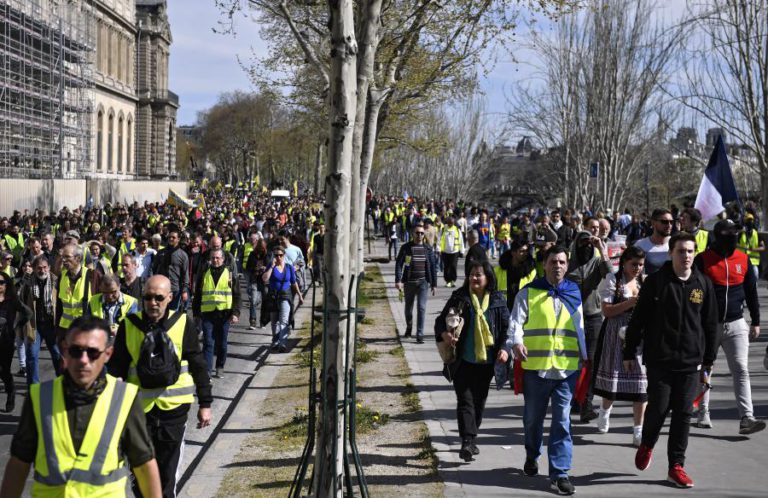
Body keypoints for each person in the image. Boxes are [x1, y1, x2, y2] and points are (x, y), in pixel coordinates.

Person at [0, 316, 162, 498]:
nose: (84, 360)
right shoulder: (39, 397)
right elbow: (19, 462)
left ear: (108, 354)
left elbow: (144, 464)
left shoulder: (125, 398)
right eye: (76, 351)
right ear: (65, 351)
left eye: (93, 353)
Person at [624, 233, 718, 488]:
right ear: (671, 254)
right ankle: (648, 443)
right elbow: (638, 320)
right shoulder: (656, 283)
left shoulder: (703, 283)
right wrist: (628, 352)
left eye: (690, 251)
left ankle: (676, 466)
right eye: (681, 251)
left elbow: (711, 324)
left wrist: (708, 360)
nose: (686, 256)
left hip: (691, 361)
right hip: (660, 360)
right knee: (659, 408)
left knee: (684, 414)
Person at [108, 275, 212, 497]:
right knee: (140, 478)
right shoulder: (129, 325)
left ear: (170, 298)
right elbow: (116, 370)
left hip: (173, 412)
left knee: (166, 478)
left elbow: (198, 365)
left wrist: (205, 403)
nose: (152, 303)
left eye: (158, 298)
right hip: (138, 413)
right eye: (147, 297)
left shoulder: (183, 323)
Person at [508, 245, 588, 496]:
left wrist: (585, 357)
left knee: (562, 421)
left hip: (566, 369)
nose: (558, 266)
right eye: (553, 261)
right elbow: (515, 323)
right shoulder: (529, 292)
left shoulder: (573, 292)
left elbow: (580, 326)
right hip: (537, 369)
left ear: (567, 265)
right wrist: (517, 342)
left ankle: (560, 473)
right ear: (544, 264)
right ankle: (532, 454)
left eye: (563, 262)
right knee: (533, 419)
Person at [693, 219, 765, 434]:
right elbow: (694, 293)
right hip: (708, 325)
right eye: (727, 234)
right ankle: (703, 412)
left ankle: (747, 418)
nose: (731, 238)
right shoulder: (702, 260)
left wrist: (757, 321)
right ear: (717, 236)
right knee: (706, 369)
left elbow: (751, 293)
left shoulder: (743, 259)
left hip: (736, 323)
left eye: (734, 234)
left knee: (741, 370)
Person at [434, 260, 510, 461]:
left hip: (486, 363)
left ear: (487, 278)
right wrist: (445, 334)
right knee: (465, 400)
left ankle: (471, 438)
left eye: (479, 275)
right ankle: (467, 441)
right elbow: (440, 321)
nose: (475, 278)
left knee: (479, 401)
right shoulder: (459, 298)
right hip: (462, 361)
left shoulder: (497, 300)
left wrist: (504, 349)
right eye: (472, 274)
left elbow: (506, 329)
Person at [592, 246, 647, 446]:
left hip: (639, 334)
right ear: (624, 262)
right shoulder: (612, 280)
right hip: (616, 332)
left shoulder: (644, 281)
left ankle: (638, 431)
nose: (638, 268)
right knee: (613, 382)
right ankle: (605, 412)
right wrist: (631, 302)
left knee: (641, 385)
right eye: (634, 264)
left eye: (641, 264)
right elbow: (606, 311)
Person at [566, 231, 613, 423]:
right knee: (573, 362)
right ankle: (574, 400)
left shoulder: (596, 262)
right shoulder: (568, 263)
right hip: (571, 317)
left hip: (593, 316)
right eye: (582, 243)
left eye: (589, 244)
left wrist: (602, 249)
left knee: (592, 361)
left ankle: (587, 402)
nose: (586, 246)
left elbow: (610, 273)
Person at [193, 248, 241, 378]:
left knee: (222, 343)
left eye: (217, 258)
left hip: (224, 314)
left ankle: (220, 366)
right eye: (213, 258)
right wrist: (196, 313)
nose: (215, 260)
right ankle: (207, 370)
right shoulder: (204, 273)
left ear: (223, 259)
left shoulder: (229, 274)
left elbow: (236, 295)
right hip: (208, 314)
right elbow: (198, 294)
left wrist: (235, 313)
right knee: (208, 342)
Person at [20, 254, 62, 385]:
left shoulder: (56, 282)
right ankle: (34, 387)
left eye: (44, 267)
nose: (42, 270)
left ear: (49, 268)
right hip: (34, 326)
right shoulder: (27, 283)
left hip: (51, 325)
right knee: (32, 355)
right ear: (33, 268)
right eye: (39, 268)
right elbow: (21, 303)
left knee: (57, 355)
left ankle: (63, 383)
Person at [394, 223, 437, 343]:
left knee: (421, 308)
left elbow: (433, 266)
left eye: (422, 233)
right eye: (417, 233)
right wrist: (398, 280)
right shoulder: (406, 248)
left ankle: (419, 334)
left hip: (423, 283)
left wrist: (434, 284)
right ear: (412, 234)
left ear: (424, 235)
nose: (419, 235)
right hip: (409, 283)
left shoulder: (428, 248)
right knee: (408, 308)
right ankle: (409, 327)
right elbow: (399, 264)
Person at [262, 247, 304, 352]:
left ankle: (282, 343)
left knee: (284, 321)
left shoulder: (289, 267)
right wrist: (271, 267)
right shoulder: (271, 266)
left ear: (284, 255)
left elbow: (294, 283)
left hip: (285, 296)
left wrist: (300, 295)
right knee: (274, 321)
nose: (278, 257)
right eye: (276, 255)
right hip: (273, 297)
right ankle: (275, 342)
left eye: (280, 255)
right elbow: (265, 279)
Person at [0, 274, 31, 412]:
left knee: (4, 371)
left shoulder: (12, 300)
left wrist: (17, 325)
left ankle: (11, 393)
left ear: (6, 284)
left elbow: (28, 313)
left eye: (1, 282)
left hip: (6, 341)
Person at [56, 243, 101, 340]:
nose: (64, 260)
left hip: (86, 330)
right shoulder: (62, 277)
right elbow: (59, 306)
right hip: (66, 330)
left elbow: (100, 305)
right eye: (63, 257)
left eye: (67, 257)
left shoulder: (93, 276)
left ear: (78, 258)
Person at [151, 228, 189, 311]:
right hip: (161, 288)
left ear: (178, 239)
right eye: (169, 237)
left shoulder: (183, 255)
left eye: (173, 237)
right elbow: (153, 269)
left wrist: (184, 291)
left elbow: (185, 273)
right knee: (161, 310)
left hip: (175, 289)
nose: (171, 239)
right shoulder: (161, 253)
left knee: (173, 313)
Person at [494, 240, 536, 311]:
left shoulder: (531, 272)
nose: (525, 254)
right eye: (522, 251)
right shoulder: (498, 271)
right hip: (502, 309)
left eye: (526, 251)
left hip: (522, 310)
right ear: (513, 253)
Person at [633, 208, 673, 275]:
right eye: (664, 222)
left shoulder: (676, 244)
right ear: (653, 223)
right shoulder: (640, 245)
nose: (669, 225)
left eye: (671, 222)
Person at [245, 239, 269, 329]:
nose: (261, 250)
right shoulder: (252, 255)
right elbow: (248, 267)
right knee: (253, 301)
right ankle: (253, 321)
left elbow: (270, 266)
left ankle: (263, 322)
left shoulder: (267, 255)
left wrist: (265, 268)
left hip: (264, 281)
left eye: (262, 248)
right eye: (260, 248)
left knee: (265, 301)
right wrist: (255, 268)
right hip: (254, 279)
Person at [439, 216, 464, 288]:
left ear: (454, 223)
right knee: (446, 267)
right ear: (447, 222)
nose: (450, 224)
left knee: (453, 266)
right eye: (449, 223)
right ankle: (448, 281)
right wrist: (439, 249)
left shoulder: (457, 230)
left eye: (452, 223)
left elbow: (461, 240)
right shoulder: (443, 229)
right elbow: (439, 239)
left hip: (455, 251)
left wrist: (462, 250)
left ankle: (453, 280)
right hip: (445, 251)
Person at [738, 213, 765, 280]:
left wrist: (753, 249)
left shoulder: (756, 234)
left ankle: (754, 288)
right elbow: (734, 244)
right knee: (740, 278)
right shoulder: (741, 234)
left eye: (751, 220)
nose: (750, 222)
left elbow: (763, 247)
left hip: (753, 261)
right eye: (748, 220)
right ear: (745, 222)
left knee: (755, 275)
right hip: (741, 260)